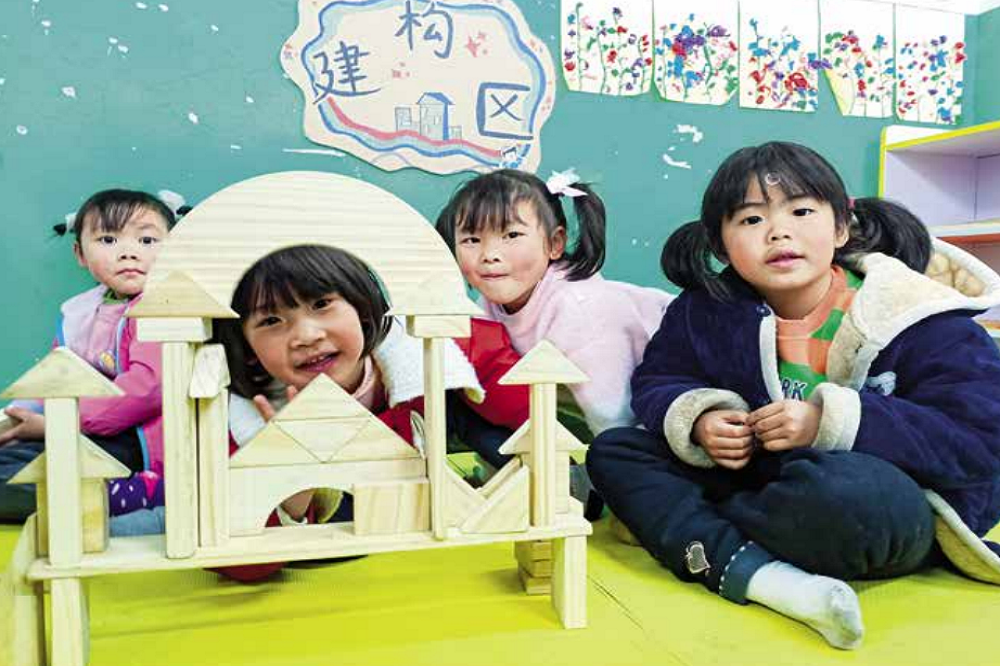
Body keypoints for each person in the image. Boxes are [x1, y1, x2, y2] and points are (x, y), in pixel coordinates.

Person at [587, 142, 1000, 649]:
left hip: (886, 502)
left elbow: (981, 436)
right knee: (615, 451)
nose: (779, 232)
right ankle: (762, 575)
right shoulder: (704, 308)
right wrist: (700, 417)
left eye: (801, 212)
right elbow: (658, 380)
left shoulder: (914, 314)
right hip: (761, 479)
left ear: (841, 227)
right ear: (721, 246)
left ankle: (687, 530)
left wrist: (829, 422)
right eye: (751, 219)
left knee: (851, 497)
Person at [207, 244, 528, 580]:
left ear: (361, 306)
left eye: (321, 304)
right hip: (343, 512)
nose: (306, 336)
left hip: (423, 451)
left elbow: (497, 366)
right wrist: (289, 490)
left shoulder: (416, 346)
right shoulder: (241, 418)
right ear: (247, 347)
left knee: (480, 403)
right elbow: (237, 563)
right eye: (271, 320)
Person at [436, 168, 672, 437]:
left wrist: (610, 453)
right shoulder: (489, 301)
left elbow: (614, 415)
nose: (489, 255)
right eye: (472, 240)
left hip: (684, 377)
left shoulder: (578, 310)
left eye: (511, 235)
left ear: (555, 244)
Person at [0, 189, 181, 521]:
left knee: (28, 475)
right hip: (87, 427)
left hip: (140, 441)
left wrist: (59, 423)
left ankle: (132, 494)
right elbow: (59, 375)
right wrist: (14, 418)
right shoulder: (81, 312)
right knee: (13, 455)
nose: (128, 252)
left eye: (147, 241)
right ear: (80, 254)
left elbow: (148, 389)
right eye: (108, 240)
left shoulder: (163, 305)